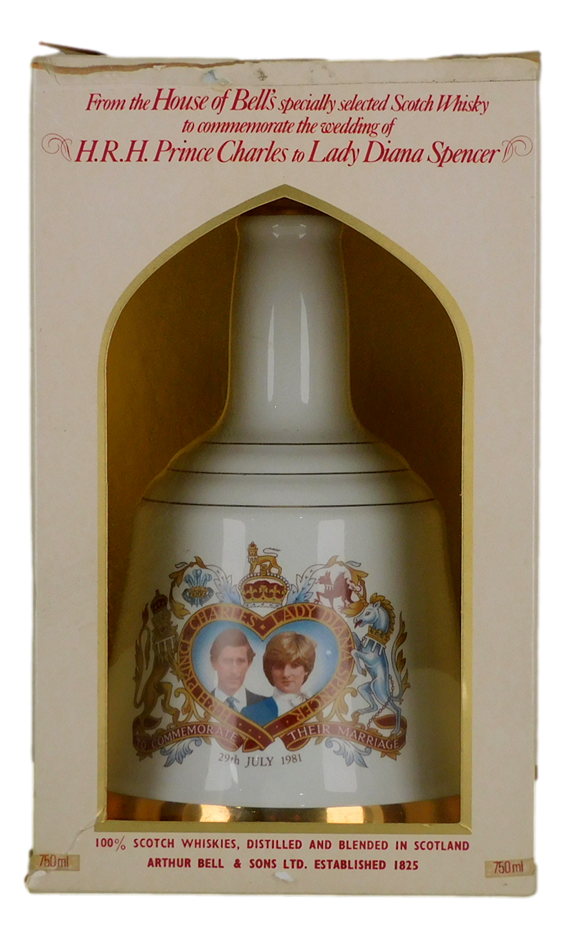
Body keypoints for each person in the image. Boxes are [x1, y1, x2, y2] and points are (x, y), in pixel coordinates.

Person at [241, 632, 317, 726]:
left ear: (306, 669)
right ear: (270, 670)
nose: (286, 674)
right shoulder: (251, 713)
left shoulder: (318, 709)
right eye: (279, 666)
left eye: (294, 665)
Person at [210, 627, 265, 712]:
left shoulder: (264, 706)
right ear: (214, 663)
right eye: (227, 661)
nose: (234, 671)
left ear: (249, 664)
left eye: (240, 661)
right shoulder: (200, 703)